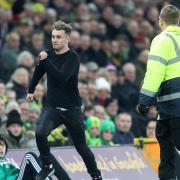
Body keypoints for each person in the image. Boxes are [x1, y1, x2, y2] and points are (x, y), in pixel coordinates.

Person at [26, 20, 102, 180]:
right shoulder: (48, 55)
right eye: (53, 36)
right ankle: (47, 165)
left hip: (72, 110)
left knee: (81, 148)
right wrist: (31, 90)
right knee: (40, 133)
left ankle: (96, 175)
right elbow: (38, 72)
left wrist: (45, 61)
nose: (54, 40)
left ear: (67, 39)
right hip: (53, 108)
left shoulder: (73, 57)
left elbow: (62, 76)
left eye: (59, 37)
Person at [138, 5, 180, 180]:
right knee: (167, 147)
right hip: (168, 109)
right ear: (177, 21)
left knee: (167, 153)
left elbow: (155, 72)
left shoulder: (162, 39)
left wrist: (144, 100)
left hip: (173, 106)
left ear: (160, 21)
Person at [0, 134, 71, 180]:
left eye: (2, 145)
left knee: (47, 157)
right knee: (29, 156)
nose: (1, 148)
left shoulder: (8, 162)